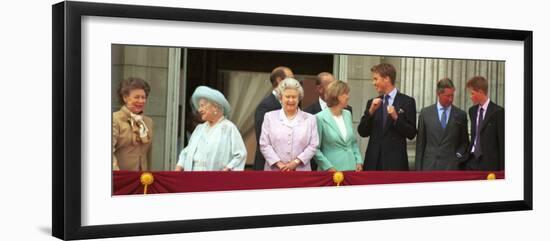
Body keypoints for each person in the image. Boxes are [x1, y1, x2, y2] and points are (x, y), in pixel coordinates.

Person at [357, 63, 417, 171]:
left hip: (395, 163)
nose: (373, 83)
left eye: (376, 79)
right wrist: (370, 112)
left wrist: (396, 118)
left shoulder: (407, 102)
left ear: (386, 79)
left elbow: (411, 133)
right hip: (373, 162)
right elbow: (362, 132)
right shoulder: (372, 103)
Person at [175, 86, 247, 171]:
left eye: (202, 106)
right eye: (199, 106)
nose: (199, 110)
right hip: (194, 177)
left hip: (216, 179)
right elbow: (187, 152)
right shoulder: (199, 128)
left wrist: (228, 169)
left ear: (215, 107)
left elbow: (240, 154)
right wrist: (178, 168)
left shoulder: (228, 128)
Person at [260, 78, 319, 171]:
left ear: (299, 98)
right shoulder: (269, 117)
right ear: (280, 98)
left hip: (301, 171)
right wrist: (279, 163)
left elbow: (313, 145)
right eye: (287, 96)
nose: (291, 100)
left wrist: (296, 162)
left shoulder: (310, 119)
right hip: (274, 171)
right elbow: (264, 144)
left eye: (294, 97)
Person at [415, 78, 469, 170]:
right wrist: (418, 170)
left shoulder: (461, 115)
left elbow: (465, 142)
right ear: (438, 94)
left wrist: (458, 156)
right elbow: (420, 144)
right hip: (429, 167)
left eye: (452, 95)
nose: (451, 99)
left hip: (451, 167)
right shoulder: (425, 113)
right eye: (447, 96)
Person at [314, 80, 363, 171]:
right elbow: (315, 149)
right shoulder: (319, 117)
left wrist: (358, 161)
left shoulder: (347, 114)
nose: (348, 97)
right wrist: (328, 167)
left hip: (352, 169)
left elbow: (353, 142)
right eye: (346, 93)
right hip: (331, 171)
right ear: (337, 96)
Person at [253, 66, 294, 170]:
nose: (295, 82)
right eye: (291, 78)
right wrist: (279, 162)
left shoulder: (292, 103)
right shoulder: (265, 106)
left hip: (290, 165)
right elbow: (262, 140)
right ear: (280, 80)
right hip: (269, 165)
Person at [112, 77, 154, 171]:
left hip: (142, 179)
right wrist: (116, 175)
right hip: (120, 178)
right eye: (136, 97)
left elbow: (148, 155)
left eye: (143, 97)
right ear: (125, 98)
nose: (141, 101)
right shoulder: (115, 119)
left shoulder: (148, 122)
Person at [464, 76, 504, 171]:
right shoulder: (472, 111)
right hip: (471, 162)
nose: (470, 96)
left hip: (490, 165)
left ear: (481, 92)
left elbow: (502, 143)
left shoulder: (498, 112)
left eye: (472, 93)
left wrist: (503, 169)